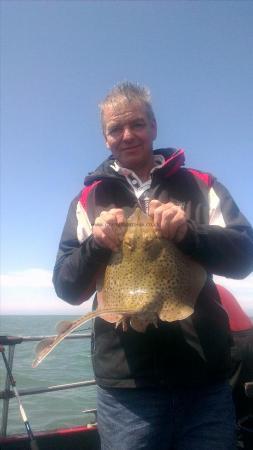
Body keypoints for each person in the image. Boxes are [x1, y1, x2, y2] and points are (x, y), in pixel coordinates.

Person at [53, 82, 253, 450]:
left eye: (138, 125)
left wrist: (188, 233)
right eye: (116, 128)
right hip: (128, 391)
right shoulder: (88, 200)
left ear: (154, 127)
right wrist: (96, 244)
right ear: (105, 137)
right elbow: (67, 287)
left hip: (204, 382)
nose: (127, 135)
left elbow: (244, 257)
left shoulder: (201, 185)